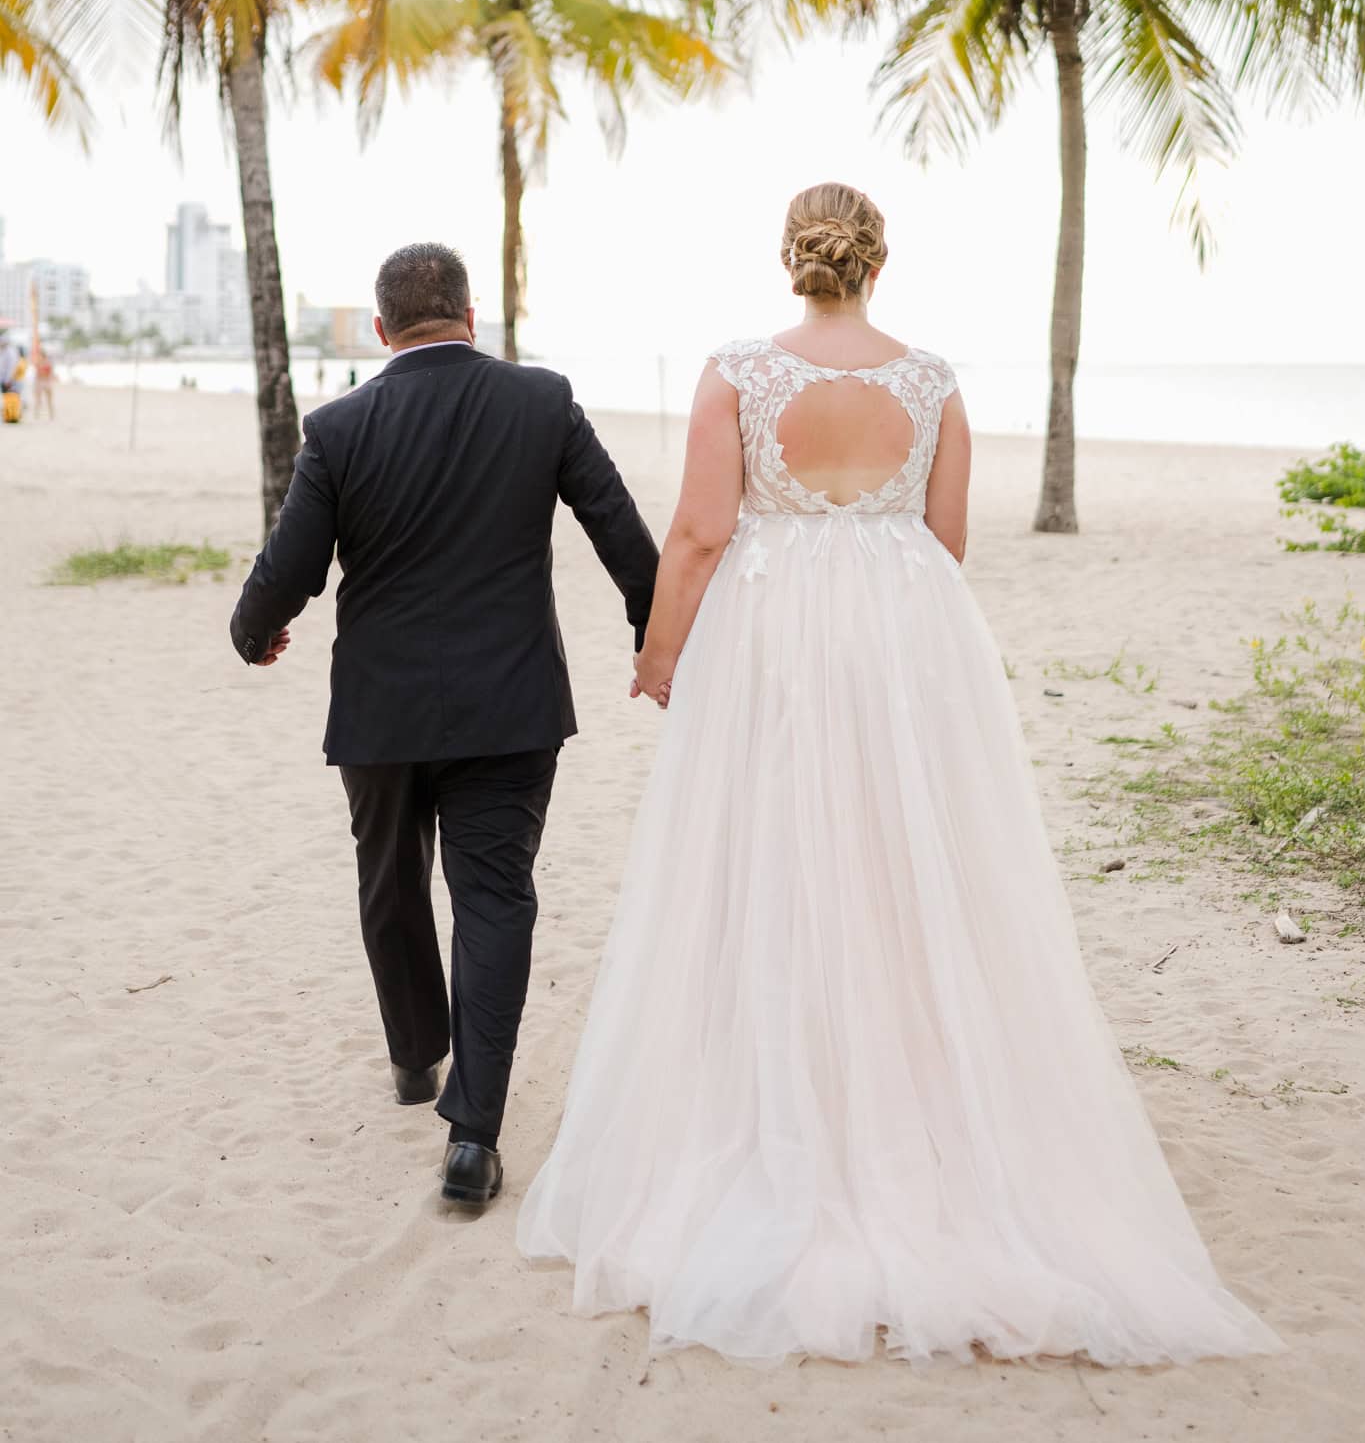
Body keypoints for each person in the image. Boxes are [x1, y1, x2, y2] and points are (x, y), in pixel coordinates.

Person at [518, 183, 1280, 1367]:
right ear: (880, 258)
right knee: (901, 862)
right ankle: (915, 1105)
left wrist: (663, 650)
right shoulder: (931, 383)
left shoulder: (735, 371)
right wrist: (875, 591)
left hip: (772, 638)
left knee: (762, 858)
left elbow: (703, 532)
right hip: (904, 638)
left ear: (790, 257)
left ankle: (782, 1107)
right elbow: (945, 537)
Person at [229, 241, 658, 1206]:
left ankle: (417, 1057)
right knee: (495, 897)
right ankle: (473, 1137)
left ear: (382, 331)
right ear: (473, 317)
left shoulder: (340, 426)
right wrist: (655, 635)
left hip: (381, 712)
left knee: (389, 883)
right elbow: (621, 534)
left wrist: (253, 630)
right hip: (511, 708)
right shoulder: (541, 402)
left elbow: (294, 563)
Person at [33, 343, 55, 419]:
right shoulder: (40, 363)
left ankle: (49, 414)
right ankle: (38, 414)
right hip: (42, 382)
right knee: (39, 400)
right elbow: (37, 375)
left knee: (48, 400)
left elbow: (50, 374)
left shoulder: (44, 363)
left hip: (44, 382)